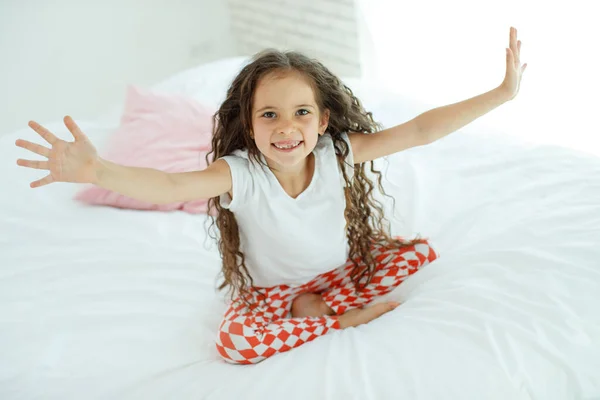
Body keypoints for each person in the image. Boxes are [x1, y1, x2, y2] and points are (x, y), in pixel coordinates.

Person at [14, 27, 525, 365]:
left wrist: (501, 94)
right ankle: (339, 318)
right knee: (234, 344)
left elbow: (418, 130)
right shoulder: (242, 174)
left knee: (419, 253)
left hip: (340, 272)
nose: (287, 128)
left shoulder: (335, 154)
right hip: (272, 293)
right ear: (250, 126)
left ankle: (321, 304)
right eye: (270, 115)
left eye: (302, 113)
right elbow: (170, 186)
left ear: (322, 120)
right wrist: (96, 168)